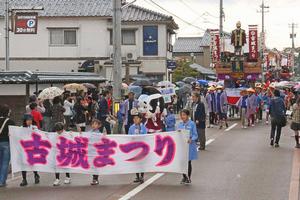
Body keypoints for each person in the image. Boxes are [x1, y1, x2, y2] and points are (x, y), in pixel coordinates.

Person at [177, 109, 198, 184]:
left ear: (188, 116)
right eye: (181, 115)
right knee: (182, 162)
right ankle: (184, 177)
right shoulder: (180, 124)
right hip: (182, 146)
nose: (182, 117)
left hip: (190, 146)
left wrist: (191, 139)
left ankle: (188, 178)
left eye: (184, 115)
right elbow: (177, 134)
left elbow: (195, 135)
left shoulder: (192, 124)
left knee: (188, 162)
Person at [20, 114, 40, 187]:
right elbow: (17, 136)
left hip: (32, 148)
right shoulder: (21, 128)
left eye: (31, 120)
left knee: (32, 163)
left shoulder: (34, 127)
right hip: (24, 148)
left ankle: (36, 175)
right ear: (24, 121)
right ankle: (24, 179)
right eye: (28, 120)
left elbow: (39, 135)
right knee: (23, 164)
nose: (29, 121)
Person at [128, 109, 147, 184]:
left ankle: (142, 176)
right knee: (136, 162)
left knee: (141, 163)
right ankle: (137, 176)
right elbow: (129, 137)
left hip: (142, 148)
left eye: (137, 118)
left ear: (141, 119)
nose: (135, 120)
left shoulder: (143, 127)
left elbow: (146, 136)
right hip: (135, 148)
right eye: (134, 118)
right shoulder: (131, 127)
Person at [0, 105, 15, 187]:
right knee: (5, 163)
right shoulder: (10, 122)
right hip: (6, 143)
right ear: (7, 112)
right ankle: (2, 181)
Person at [53, 122, 71, 186]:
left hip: (64, 152)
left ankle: (68, 177)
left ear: (62, 129)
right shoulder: (55, 134)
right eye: (57, 130)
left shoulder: (67, 134)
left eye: (59, 130)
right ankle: (57, 179)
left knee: (66, 165)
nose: (58, 132)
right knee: (56, 166)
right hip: (57, 153)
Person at [90, 119, 104, 185]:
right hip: (90, 152)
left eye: (95, 124)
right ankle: (94, 178)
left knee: (96, 166)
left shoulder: (99, 134)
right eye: (93, 124)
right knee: (92, 166)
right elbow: (84, 137)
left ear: (99, 125)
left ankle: (95, 179)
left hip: (96, 152)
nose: (93, 125)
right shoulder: (89, 132)